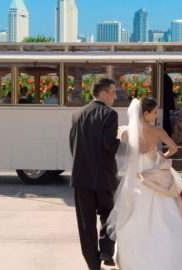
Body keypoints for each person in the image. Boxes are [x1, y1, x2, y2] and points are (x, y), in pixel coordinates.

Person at [107, 97, 182, 270]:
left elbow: (120, 155)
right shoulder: (157, 131)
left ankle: (134, 260)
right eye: (155, 112)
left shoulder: (126, 131)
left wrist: (134, 152)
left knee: (134, 216)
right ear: (146, 113)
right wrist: (163, 155)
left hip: (135, 179)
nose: (156, 115)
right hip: (155, 177)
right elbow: (174, 148)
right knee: (166, 215)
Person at [69, 78, 120, 270]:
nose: (115, 96)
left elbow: (72, 144)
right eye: (113, 92)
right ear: (103, 93)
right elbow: (110, 145)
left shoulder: (77, 114)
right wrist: (127, 144)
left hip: (80, 177)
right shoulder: (109, 114)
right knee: (109, 215)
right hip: (104, 177)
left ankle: (93, 265)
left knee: (86, 224)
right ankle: (106, 249)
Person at [163, 73, 175, 137]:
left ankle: (165, 140)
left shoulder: (165, 78)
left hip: (165, 103)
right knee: (166, 122)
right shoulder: (168, 78)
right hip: (167, 103)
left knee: (165, 123)